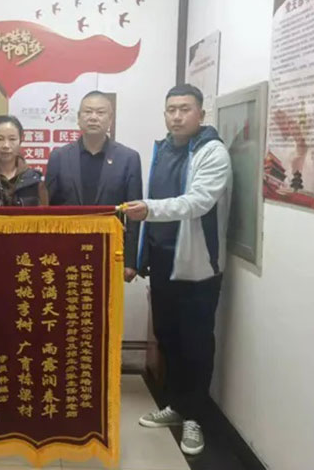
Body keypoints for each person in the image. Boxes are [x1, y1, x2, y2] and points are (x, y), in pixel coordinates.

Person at [122, 83, 232, 456]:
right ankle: (177, 405)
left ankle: (195, 417)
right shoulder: (164, 149)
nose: (177, 116)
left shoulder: (212, 152)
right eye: (171, 109)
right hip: (163, 260)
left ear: (201, 113)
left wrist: (149, 209)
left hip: (197, 266)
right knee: (168, 335)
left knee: (196, 341)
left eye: (185, 109)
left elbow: (198, 202)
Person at [45, 90, 142, 282]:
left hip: (109, 250)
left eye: (100, 112)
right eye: (88, 112)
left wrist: (130, 260)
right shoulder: (59, 157)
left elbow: (133, 214)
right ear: (78, 118)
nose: (93, 117)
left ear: (110, 119)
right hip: (66, 250)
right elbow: (48, 208)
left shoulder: (128, 158)